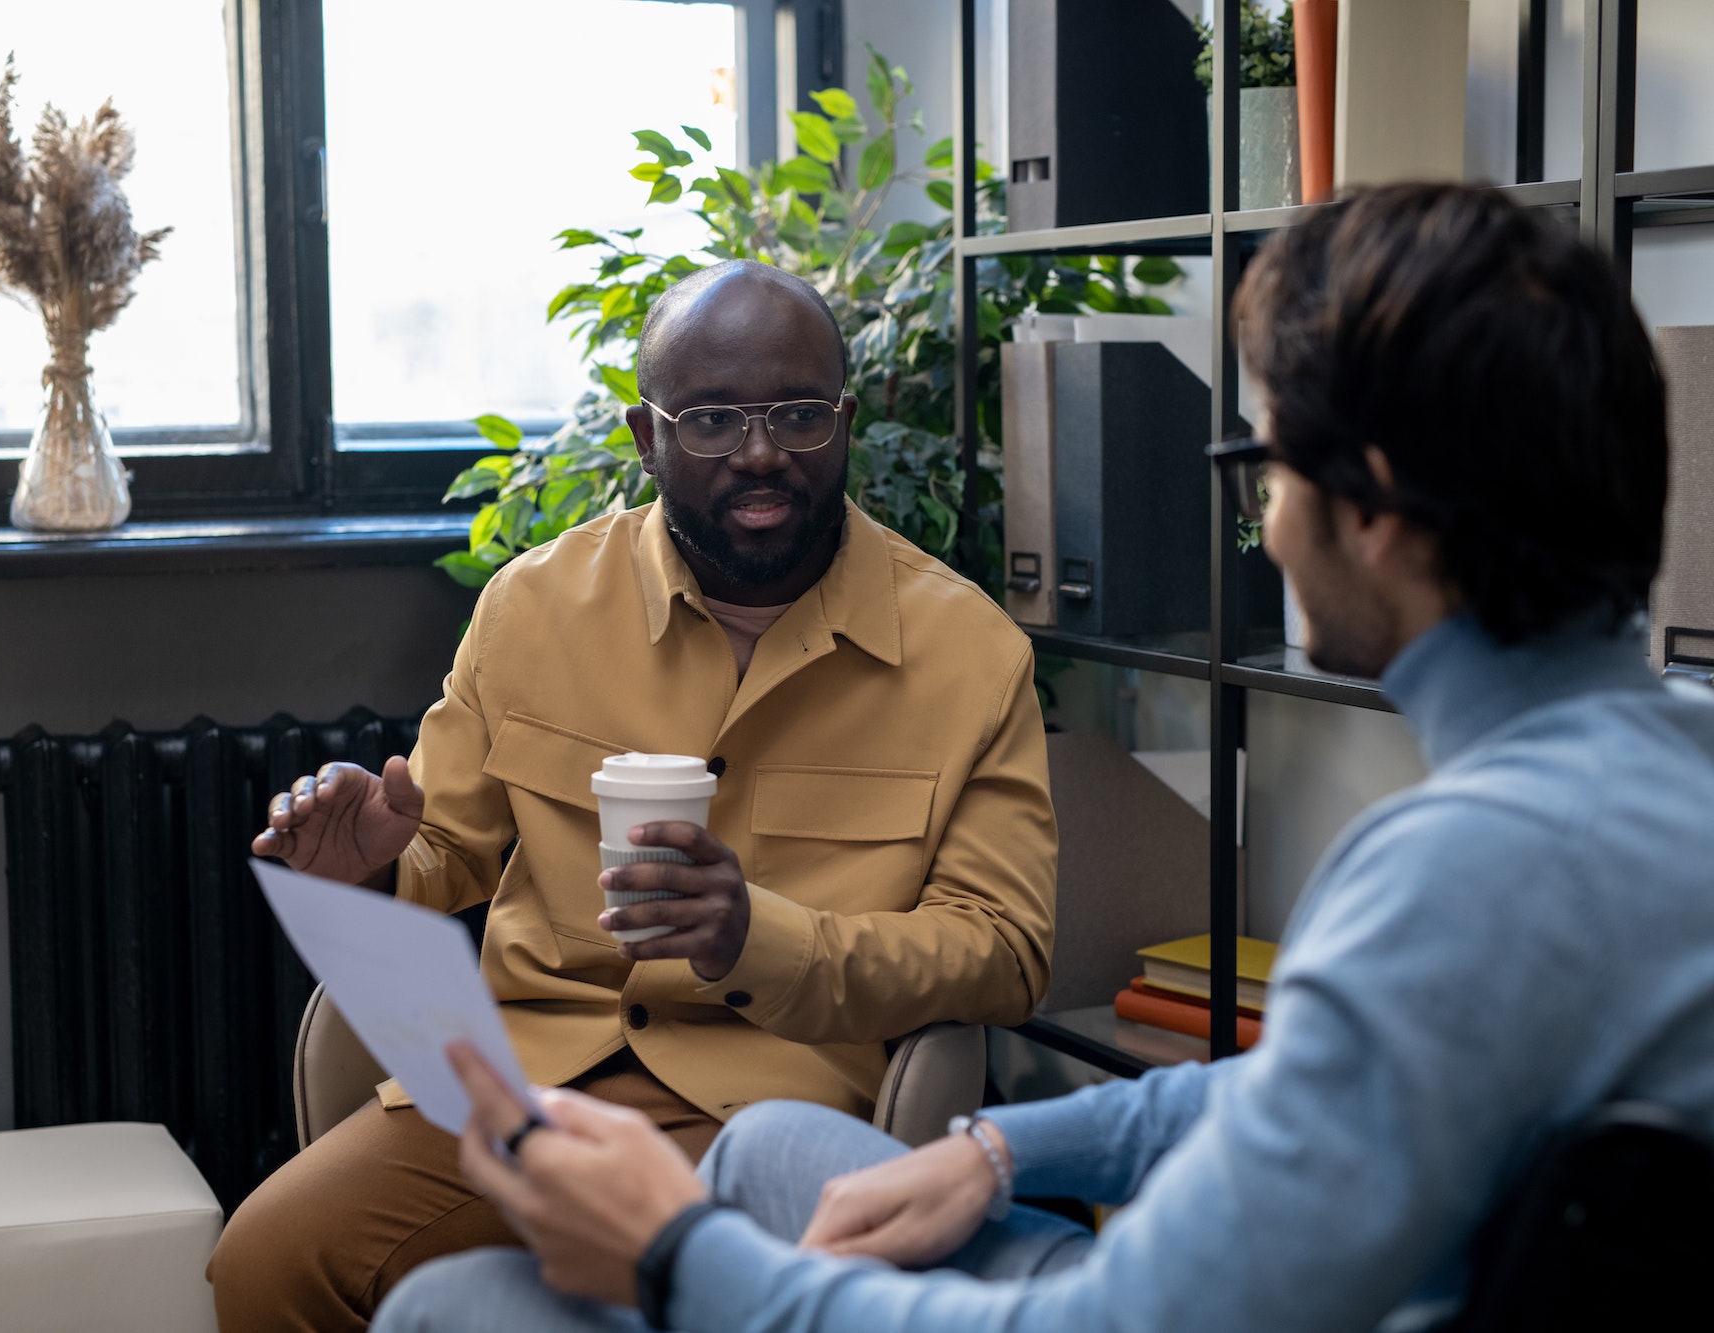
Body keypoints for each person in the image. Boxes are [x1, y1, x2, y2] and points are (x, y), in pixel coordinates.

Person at [371, 182, 1714, 1333]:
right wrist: (1014, 1139)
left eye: (1266, 460)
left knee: (452, 1307)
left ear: (1365, 508)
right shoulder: (1662, 775)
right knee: (779, 1145)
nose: (1265, 512)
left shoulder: (1464, 870)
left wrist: (678, 1256)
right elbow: (1339, 1081)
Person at [206, 260, 1058, 1331]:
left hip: (764, 1106)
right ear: (645, 436)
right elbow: (445, 855)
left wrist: (757, 936)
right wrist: (368, 870)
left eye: (796, 414)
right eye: (708, 419)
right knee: (268, 1261)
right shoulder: (534, 607)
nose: (759, 453)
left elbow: (1003, 950)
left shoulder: (966, 652)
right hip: (520, 1089)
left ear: (844, 421)